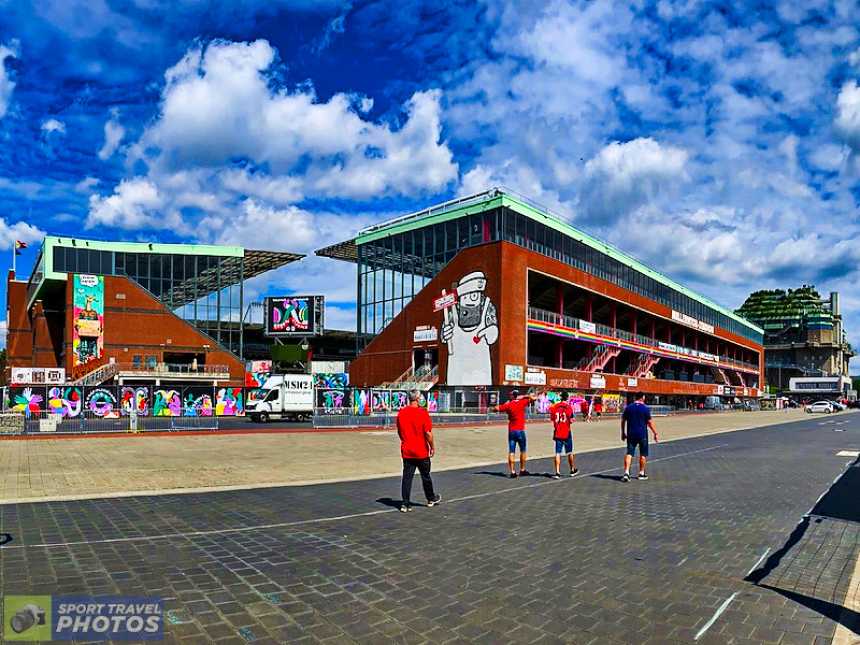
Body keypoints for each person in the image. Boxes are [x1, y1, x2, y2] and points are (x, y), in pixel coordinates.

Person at [396, 390, 442, 512]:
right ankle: (430, 498)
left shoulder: (402, 413)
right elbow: (428, 433)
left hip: (407, 451)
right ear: (417, 398)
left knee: (407, 478)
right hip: (421, 451)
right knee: (425, 476)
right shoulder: (422, 413)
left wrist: (405, 440)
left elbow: (400, 432)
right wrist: (432, 446)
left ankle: (405, 504)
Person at [495, 389, 538, 478]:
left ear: (511, 396)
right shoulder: (522, 402)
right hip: (520, 430)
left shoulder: (508, 405)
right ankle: (522, 469)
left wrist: (506, 403)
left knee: (511, 451)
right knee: (523, 450)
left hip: (511, 431)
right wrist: (525, 396)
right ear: (517, 396)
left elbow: (495, 408)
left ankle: (513, 471)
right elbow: (534, 398)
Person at [620, 392, 659, 482]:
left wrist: (623, 432)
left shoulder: (628, 407)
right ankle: (641, 473)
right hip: (642, 434)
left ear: (635, 398)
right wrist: (655, 433)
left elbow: (623, 421)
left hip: (631, 434)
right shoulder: (645, 409)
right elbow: (649, 422)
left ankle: (626, 473)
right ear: (643, 398)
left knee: (629, 453)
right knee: (643, 454)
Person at [549, 392, 578, 479]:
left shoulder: (555, 407)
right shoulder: (569, 407)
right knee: (569, 452)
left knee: (558, 452)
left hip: (558, 431)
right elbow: (571, 420)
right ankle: (572, 469)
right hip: (566, 431)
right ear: (567, 398)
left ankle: (557, 472)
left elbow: (552, 419)